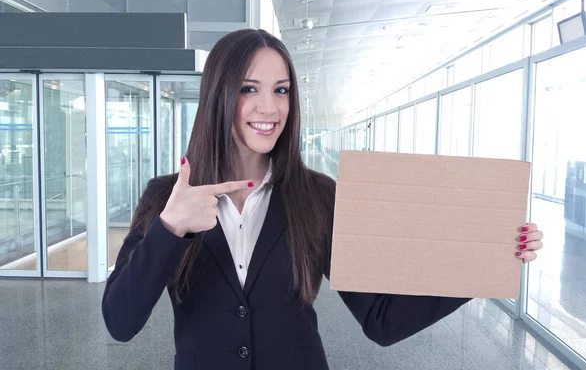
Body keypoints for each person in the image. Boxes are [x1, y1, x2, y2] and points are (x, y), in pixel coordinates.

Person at [101, 29, 544, 370]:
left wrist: (485, 260)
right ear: (219, 94)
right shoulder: (167, 196)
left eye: (281, 90)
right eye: (249, 88)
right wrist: (170, 227)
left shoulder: (317, 196)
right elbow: (120, 323)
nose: (269, 108)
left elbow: (382, 320)